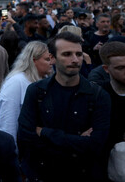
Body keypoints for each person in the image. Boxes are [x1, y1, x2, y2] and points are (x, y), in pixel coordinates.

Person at [17, 31, 111, 181]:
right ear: (52, 58)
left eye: (79, 54)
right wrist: (77, 140)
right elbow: (26, 137)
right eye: (67, 54)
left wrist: (45, 132)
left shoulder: (98, 95)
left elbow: (96, 145)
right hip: (43, 174)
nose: (75, 60)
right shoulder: (37, 91)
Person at [0, 41, 53, 144]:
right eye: (47, 59)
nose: (51, 63)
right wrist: (10, 152)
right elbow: (8, 123)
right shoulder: (16, 82)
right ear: (34, 60)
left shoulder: (47, 81)